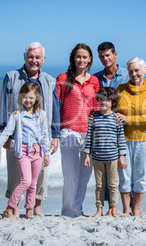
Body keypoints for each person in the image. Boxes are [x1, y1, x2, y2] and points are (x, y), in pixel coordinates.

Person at [0, 42, 60, 217]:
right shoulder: (11, 77)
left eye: (37, 57)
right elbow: (4, 104)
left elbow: (55, 108)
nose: (34, 60)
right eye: (30, 56)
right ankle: (13, 207)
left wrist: (55, 135)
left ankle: (35, 208)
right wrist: (3, 132)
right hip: (17, 136)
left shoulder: (50, 81)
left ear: (43, 59)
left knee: (40, 175)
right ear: (24, 57)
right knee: (16, 172)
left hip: (41, 137)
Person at [56, 43, 100, 217]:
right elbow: (54, 104)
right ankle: (67, 211)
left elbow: (96, 106)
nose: (81, 60)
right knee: (71, 174)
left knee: (84, 175)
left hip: (89, 132)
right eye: (78, 56)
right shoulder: (62, 77)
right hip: (69, 131)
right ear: (73, 58)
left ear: (89, 59)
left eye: (85, 57)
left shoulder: (94, 81)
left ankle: (78, 209)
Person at [0, 82, 50, 219]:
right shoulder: (16, 115)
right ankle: (9, 207)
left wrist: (47, 153)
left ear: (37, 98)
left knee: (33, 183)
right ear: (21, 97)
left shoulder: (42, 115)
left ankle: (28, 213)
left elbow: (45, 136)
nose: (28, 100)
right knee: (25, 181)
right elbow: (6, 132)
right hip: (23, 151)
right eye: (25, 97)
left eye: (31, 97)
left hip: (37, 151)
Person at [116, 57, 146, 216]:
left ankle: (136, 209)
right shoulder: (121, 89)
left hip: (145, 140)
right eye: (130, 71)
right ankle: (125, 209)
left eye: (137, 70)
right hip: (123, 139)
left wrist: (128, 119)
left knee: (140, 176)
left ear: (145, 70)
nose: (134, 74)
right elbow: (113, 112)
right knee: (124, 176)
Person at [94, 42, 130, 215]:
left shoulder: (126, 76)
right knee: (105, 173)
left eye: (108, 55)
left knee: (122, 173)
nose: (105, 59)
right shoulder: (97, 78)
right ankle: (109, 208)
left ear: (115, 54)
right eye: (101, 56)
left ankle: (126, 208)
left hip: (122, 127)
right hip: (103, 127)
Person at [83, 87, 127, 217]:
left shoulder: (116, 118)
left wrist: (122, 157)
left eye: (107, 100)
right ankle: (99, 210)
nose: (103, 102)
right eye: (101, 100)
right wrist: (87, 155)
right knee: (99, 185)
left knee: (113, 184)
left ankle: (114, 209)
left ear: (113, 102)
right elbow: (89, 136)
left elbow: (121, 139)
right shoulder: (94, 118)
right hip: (97, 158)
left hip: (113, 158)